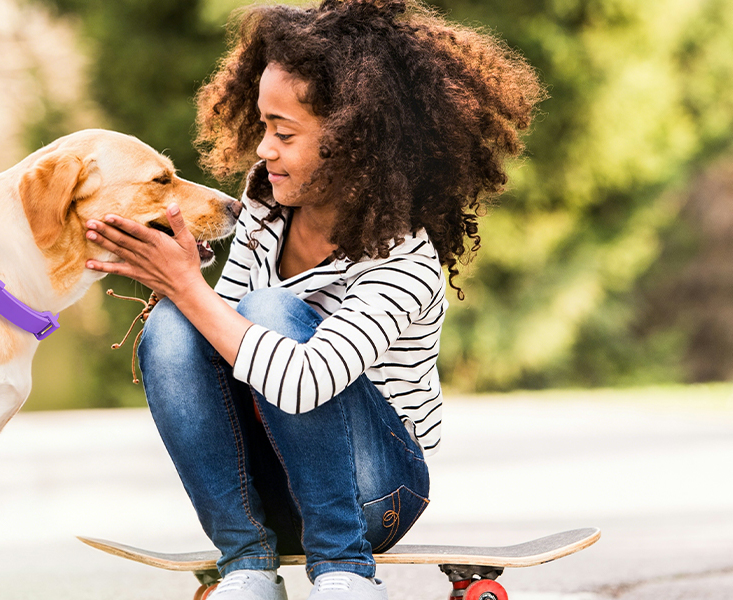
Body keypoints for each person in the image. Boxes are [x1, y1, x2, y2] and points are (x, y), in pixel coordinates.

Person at [82, 1, 542, 598]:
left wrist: (189, 286)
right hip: (272, 486)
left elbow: (305, 380)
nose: (263, 149)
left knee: (267, 311)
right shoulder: (265, 207)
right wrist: (177, 284)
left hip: (375, 493)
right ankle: (246, 564)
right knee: (173, 325)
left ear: (355, 143)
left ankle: (345, 570)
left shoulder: (404, 259)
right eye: (262, 126)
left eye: (284, 133)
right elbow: (220, 344)